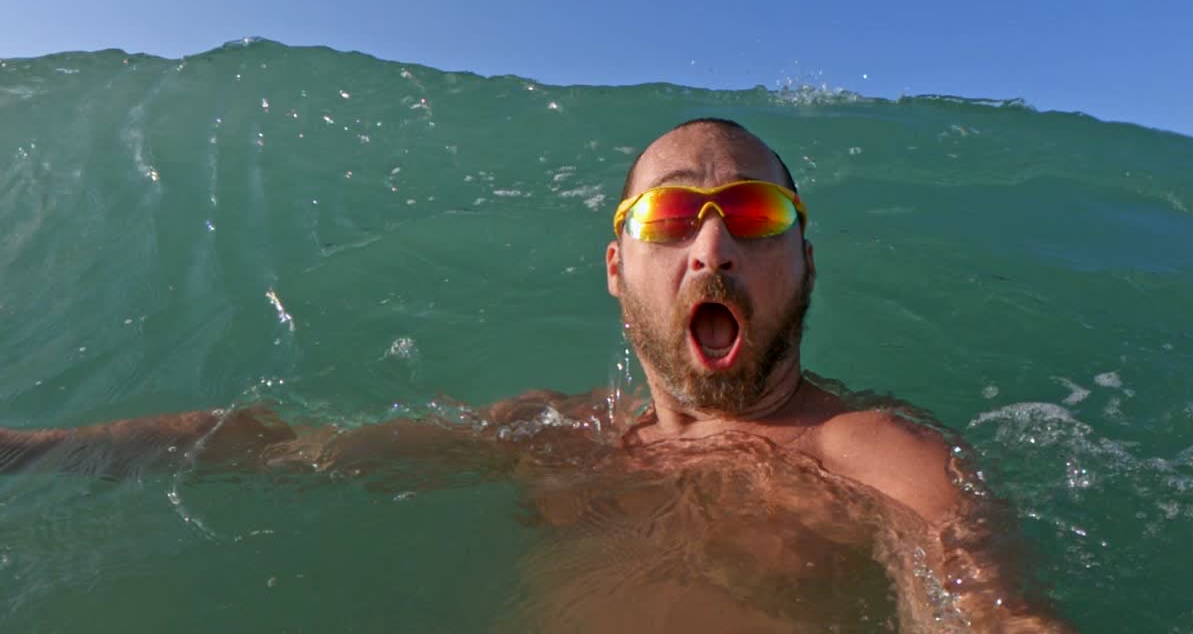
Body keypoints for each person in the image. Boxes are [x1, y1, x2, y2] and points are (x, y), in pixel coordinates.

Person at [0, 119, 1072, 632]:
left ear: (802, 258)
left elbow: (993, 614)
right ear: (618, 269)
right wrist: (31, 452)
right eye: (671, 220)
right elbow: (275, 448)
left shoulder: (876, 456)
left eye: (753, 216)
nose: (712, 251)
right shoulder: (552, 434)